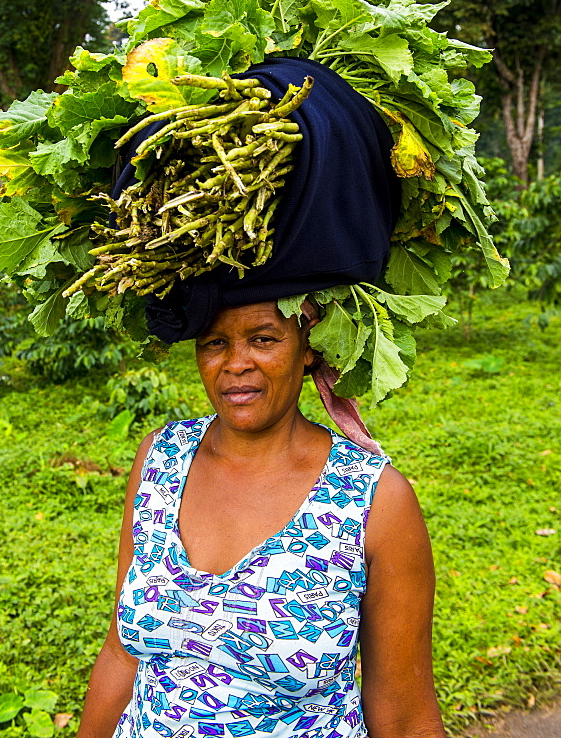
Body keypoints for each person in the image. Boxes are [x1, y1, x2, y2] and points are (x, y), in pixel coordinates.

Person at [76, 299, 446, 738]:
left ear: (308, 346)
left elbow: (406, 719)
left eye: (263, 339)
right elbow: (122, 654)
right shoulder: (161, 458)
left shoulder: (375, 500)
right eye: (215, 342)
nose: (236, 364)